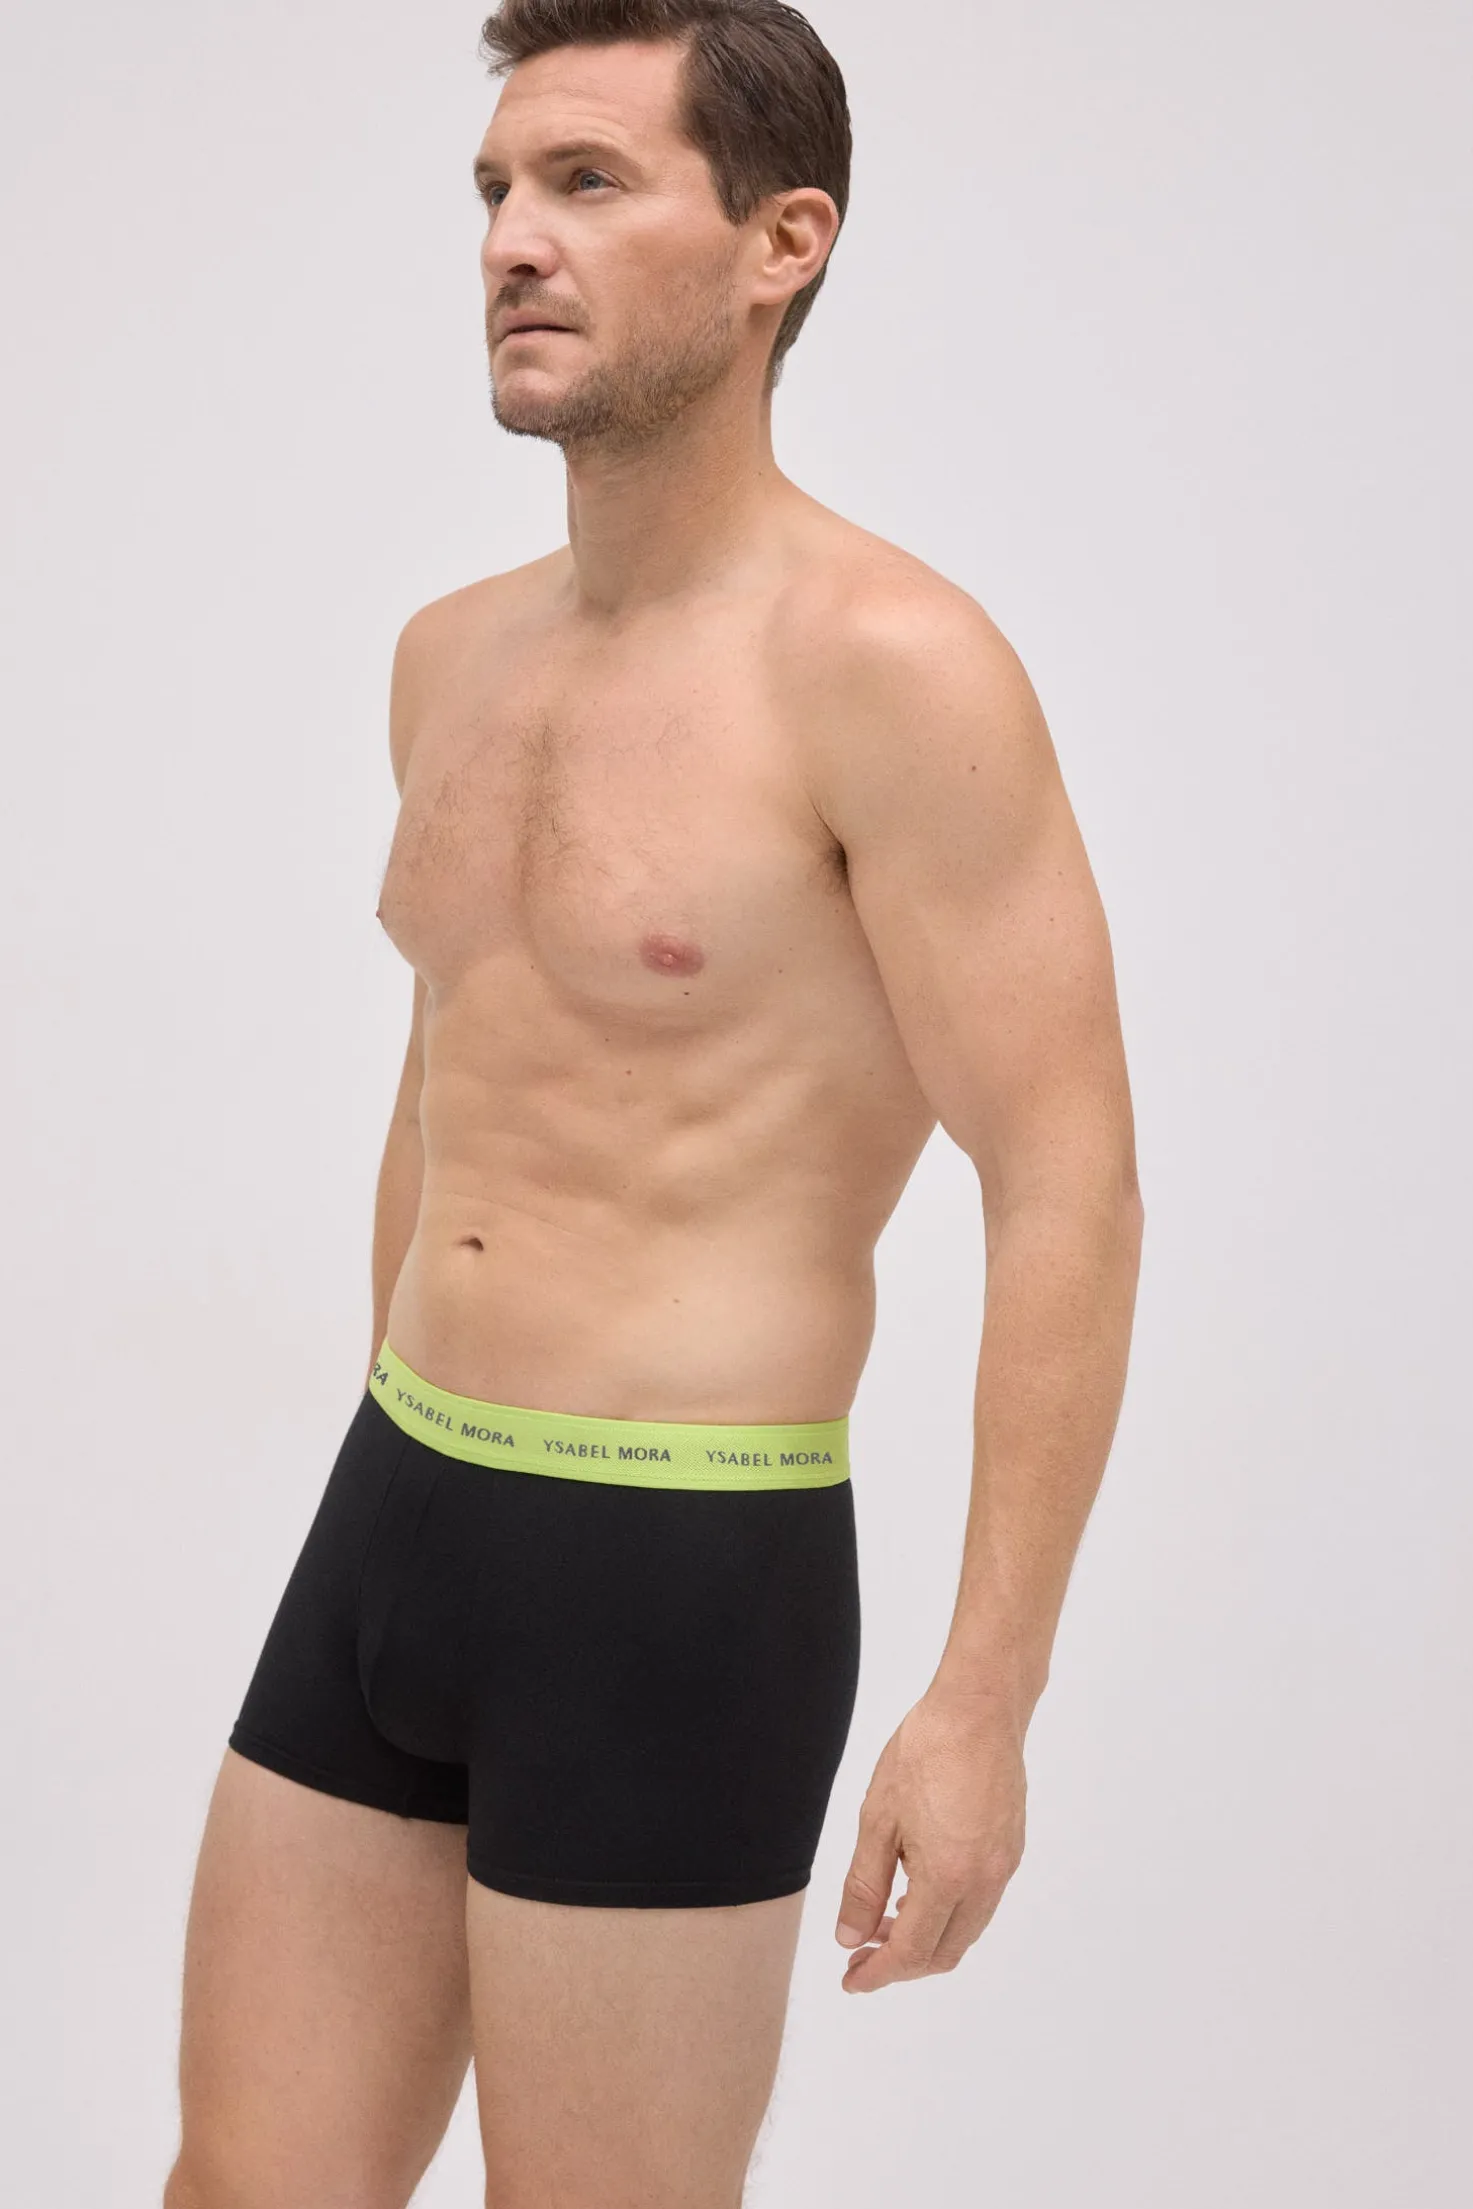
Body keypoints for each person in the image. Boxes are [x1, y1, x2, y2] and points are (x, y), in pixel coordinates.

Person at [164, 2, 1144, 2204]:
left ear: (785, 240)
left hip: (677, 1568)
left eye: (589, 183)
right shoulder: (450, 654)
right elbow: (450, 1071)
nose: (513, 238)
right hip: (397, 1510)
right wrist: (391, 1424)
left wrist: (982, 1703)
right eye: (497, 189)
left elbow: (1066, 1180)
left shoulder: (892, 670)